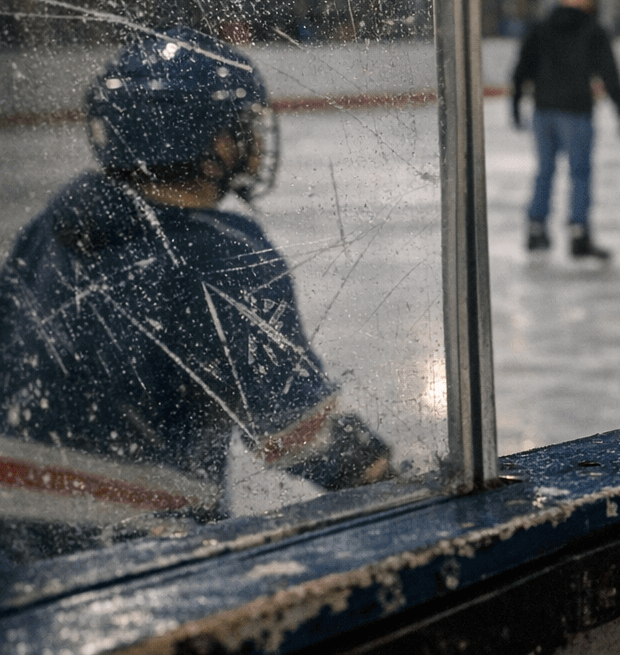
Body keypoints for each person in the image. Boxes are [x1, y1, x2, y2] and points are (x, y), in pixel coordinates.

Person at [0, 28, 393, 563]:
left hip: (14, 542)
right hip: (139, 556)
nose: (253, 137)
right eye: (241, 124)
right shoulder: (223, 255)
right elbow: (297, 427)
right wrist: (392, 480)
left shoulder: (50, 226)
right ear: (209, 142)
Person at [510, 0, 620, 261]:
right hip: (576, 110)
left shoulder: (541, 28)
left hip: (544, 110)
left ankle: (536, 227)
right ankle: (578, 232)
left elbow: (522, 67)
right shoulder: (593, 29)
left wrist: (515, 105)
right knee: (580, 172)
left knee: (545, 170)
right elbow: (609, 71)